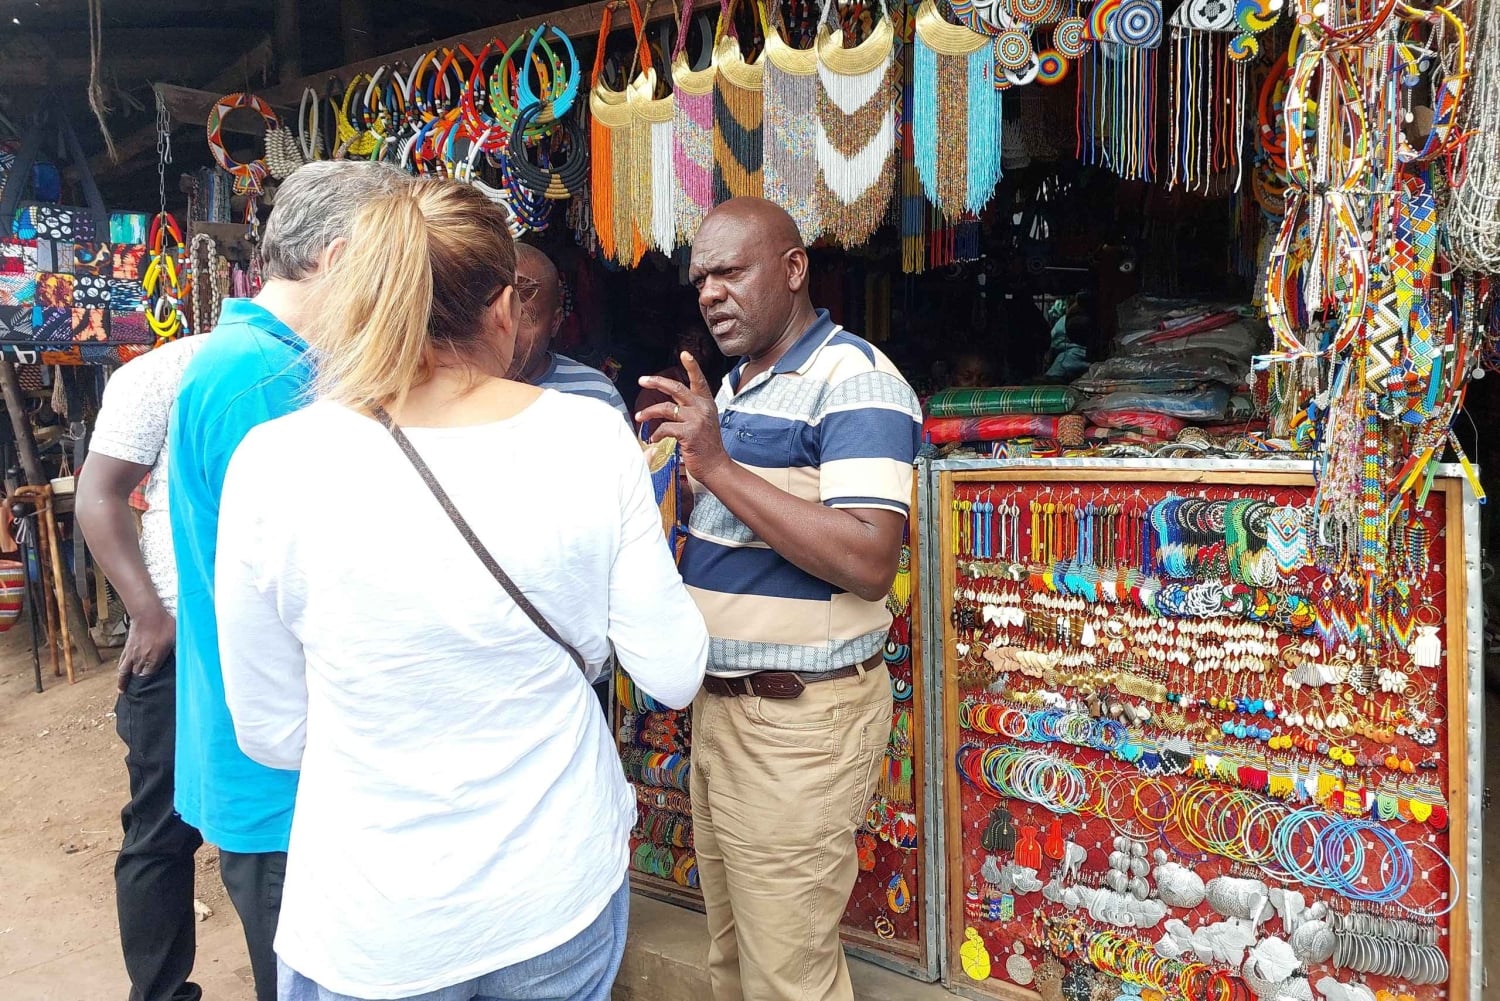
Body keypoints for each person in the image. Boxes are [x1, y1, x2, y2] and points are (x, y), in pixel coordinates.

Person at [214, 180, 707, 1001]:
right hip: (555, 893)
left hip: (372, 922)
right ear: (508, 308)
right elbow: (674, 669)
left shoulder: (274, 462)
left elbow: (270, 730)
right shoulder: (588, 435)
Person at [637, 197, 923, 1001]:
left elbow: (869, 559)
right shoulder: (731, 391)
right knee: (735, 959)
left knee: (786, 978)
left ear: (793, 269)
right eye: (700, 279)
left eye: (732, 270)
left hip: (798, 725)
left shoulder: (854, 377)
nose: (711, 293)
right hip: (726, 713)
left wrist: (719, 465)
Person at [168, 160, 411, 1001]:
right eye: (396, 260)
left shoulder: (251, 360)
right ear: (341, 259)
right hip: (286, 778)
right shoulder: (263, 380)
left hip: (279, 763)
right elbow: (330, 583)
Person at [76, 334, 207, 1001]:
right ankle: (160, 991)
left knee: (287, 832)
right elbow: (98, 494)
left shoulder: (338, 365)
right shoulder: (164, 373)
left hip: (282, 642)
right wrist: (147, 612)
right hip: (179, 642)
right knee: (161, 827)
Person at [511, 243, 630, 420]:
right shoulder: (459, 387)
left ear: (555, 323)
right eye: (494, 314)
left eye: (524, 317)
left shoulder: (596, 394)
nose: (508, 331)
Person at [634, 322, 714, 437]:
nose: (697, 348)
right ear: (676, 348)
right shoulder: (655, 392)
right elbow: (650, 446)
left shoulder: (723, 385)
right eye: (689, 341)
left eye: (705, 342)